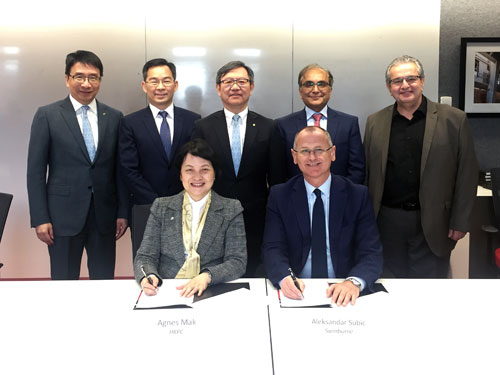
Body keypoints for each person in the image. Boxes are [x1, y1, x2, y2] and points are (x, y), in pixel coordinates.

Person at [364, 55, 479, 278]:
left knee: (429, 289)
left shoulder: (454, 120)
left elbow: (467, 174)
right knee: (389, 285)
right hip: (387, 221)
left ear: (422, 81)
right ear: (389, 87)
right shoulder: (374, 122)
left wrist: (460, 220)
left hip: (434, 221)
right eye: (397, 81)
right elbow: (368, 174)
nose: (404, 85)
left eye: (411, 78)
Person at [27, 50, 128, 280]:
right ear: (67, 79)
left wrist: (123, 212)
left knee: (103, 281)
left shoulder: (114, 117)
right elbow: (35, 171)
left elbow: (119, 171)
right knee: (64, 280)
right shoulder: (48, 115)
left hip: (104, 215)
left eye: (93, 77)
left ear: (100, 80)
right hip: (61, 217)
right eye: (79, 76)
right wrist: (40, 217)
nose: (86, 83)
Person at [262, 127, 383, 306]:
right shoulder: (280, 195)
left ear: (332, 153)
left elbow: (371, 252)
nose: (312, 157)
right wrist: (284, 277)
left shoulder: (357, 195)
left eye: (319, 150)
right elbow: (273, 248)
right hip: (299, 290)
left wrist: (354, 281)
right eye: (304, 151)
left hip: (343, 289)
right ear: (294, 156)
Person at [192, 61, 276, 277]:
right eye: (228, 82)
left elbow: (277, 177)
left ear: (252, 86)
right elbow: (197, 174)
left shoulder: (269, 127)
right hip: (214, 214)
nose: (235, 87)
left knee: (253, 271)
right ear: (218, 88)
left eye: (241, 81)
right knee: (216, 271)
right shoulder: (204, 127)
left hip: (257, 214)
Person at [134, 139, 247, 297]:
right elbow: (145, 256)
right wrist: (149, 276)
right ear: (180, 174)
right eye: (189, 170)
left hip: (211, 289)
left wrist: (207, 276)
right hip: (167, 289)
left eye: (205, 170)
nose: (197, 177)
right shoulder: (162, 207)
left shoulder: (231, 209)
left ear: (215, 173)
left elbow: (237, 261)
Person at [119, 58, 201, 206]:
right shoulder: (130, 123)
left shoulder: (193, 120)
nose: (161, 87)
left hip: (186, 203)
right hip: (145, 205)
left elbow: (197, 165)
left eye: (166, 81)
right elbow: (128, 169)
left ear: (175, 85)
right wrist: (155, 201)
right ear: (144, 86)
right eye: (154, 81)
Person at [273, 63, 365, 184]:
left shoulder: (348, 124)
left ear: (330, 90)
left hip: (341, 198)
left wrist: (344, 196)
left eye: (322, 84)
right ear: (300, 92)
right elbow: (278, 172)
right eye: (309, 84)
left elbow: (357, 169)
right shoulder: (282, 125)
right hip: (296, 198)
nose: (315, 90)